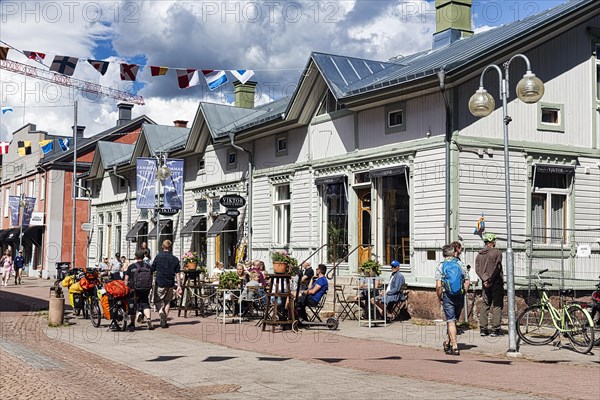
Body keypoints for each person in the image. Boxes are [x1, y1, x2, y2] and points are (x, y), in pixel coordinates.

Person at [436, 244, 470, 356]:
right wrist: (463, 292)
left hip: (447, 296)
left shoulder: (441, 266)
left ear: (444, 254)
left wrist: (439, 297)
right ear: (453, 253)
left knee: (451, 321)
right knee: (454, 321)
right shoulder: (460, 264)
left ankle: (455, 347)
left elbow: (438, 286)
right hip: (459, 295)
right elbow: (467, 282)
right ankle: (448, 342)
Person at [475, 233, 504, 337]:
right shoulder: (497, 252)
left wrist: (485, 280)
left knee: (485, 305)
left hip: (485, 283)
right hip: (496, 283)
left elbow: (477, 269)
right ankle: (495, 330)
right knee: (497, 305)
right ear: (493, 242)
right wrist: (491, 280)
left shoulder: (479, 254)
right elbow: (498, 268)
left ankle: (483, 329)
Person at [151, 240, 182, 328]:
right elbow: (178, 273)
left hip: (160, 282)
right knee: (167, 301)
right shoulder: (175, 259)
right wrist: (179, 285)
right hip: (170, 283)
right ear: (170, 247)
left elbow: (153, 268)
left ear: (162, 246)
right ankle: (164, 321)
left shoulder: (158, 257)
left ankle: (161, 312)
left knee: (157, 301)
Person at [124, 249, 154, 331]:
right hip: (145, 288)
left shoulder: (131, 267)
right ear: (143, 256)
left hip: (134, 289)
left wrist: (125, 288)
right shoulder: (148, 266)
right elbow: (151, 278)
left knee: (133, 305)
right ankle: (148, 319)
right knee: (145, 303)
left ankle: (132, 323)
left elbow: (126, 279)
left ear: (136, 257)